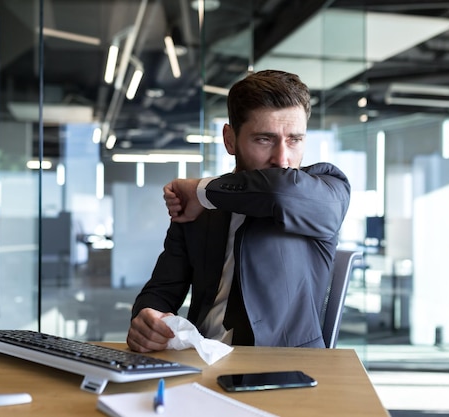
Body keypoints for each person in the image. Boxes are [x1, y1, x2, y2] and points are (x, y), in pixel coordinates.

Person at [127, 69, 350, 352]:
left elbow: (278, 192)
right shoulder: (199, 211)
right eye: (264, 139)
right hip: (202, 360)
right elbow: (161, 290)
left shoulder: (325, 191)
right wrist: (147, 317)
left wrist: (201, 191)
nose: (282, 159)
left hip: (283, 369)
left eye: (295, 139)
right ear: (230, 140)